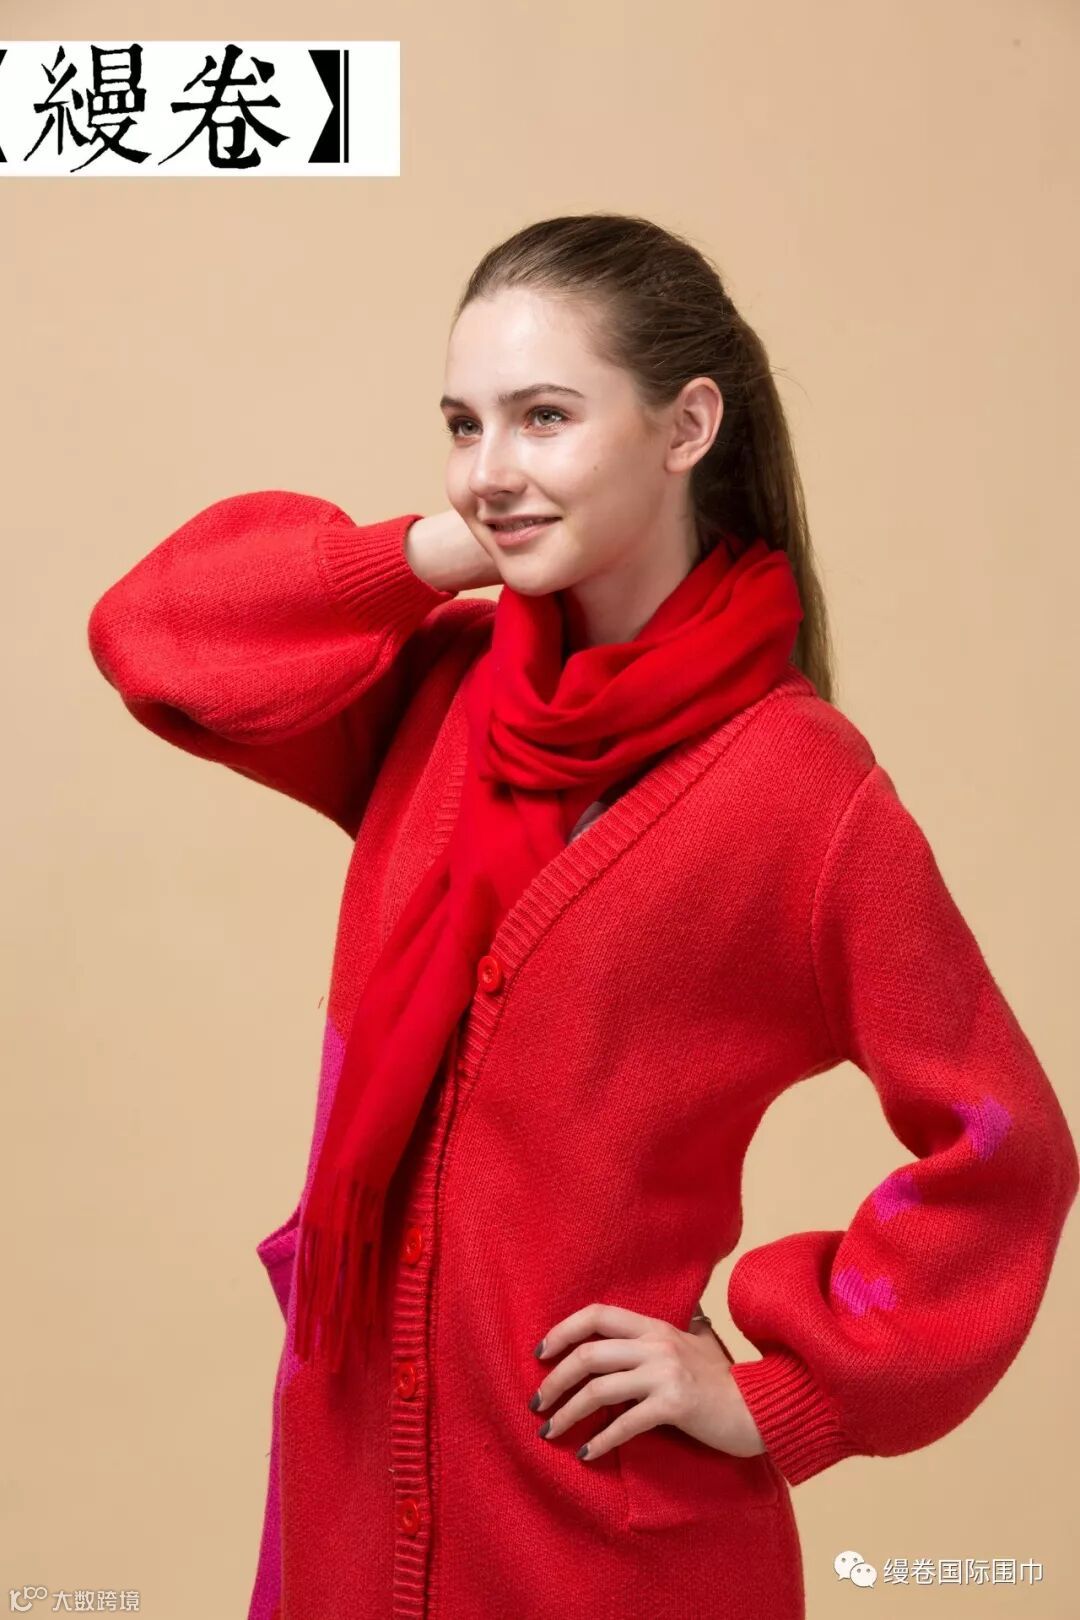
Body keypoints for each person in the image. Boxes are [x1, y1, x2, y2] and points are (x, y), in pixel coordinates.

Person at [86, 212, 1078, 1620]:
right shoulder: (435, 697)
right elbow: (153, 637)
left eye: (545, 417)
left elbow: (1003, 1143)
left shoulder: (798, 792)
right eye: (464, 424)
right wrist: (442, 549)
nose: (492, 466)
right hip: (351, 1504)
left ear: (688, 427)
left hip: (606, 1544)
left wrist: (782, 1393)